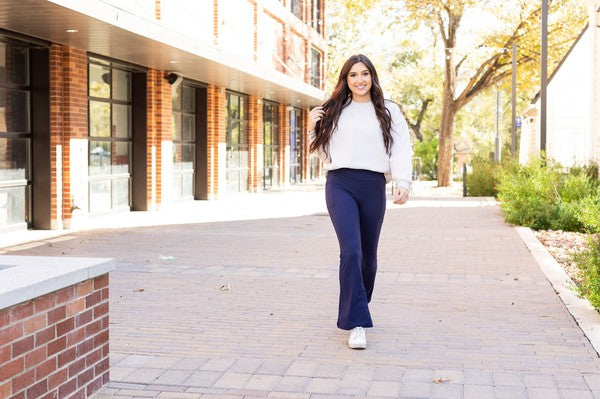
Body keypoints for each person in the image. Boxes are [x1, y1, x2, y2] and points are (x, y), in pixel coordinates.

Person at [307, 54, 413, 349]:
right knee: (350, 251)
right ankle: (356, 322)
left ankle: (358, 301)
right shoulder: (334, 110)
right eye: (353, 75)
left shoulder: (389, 110)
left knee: (368, 256)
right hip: (340, 183)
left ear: (372, 77)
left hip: (372, 185)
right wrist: (314, 127)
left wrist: (403, 182)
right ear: (345, 80)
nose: (359, 79)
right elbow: (322, 153)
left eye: (364, 73)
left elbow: (402, 148)